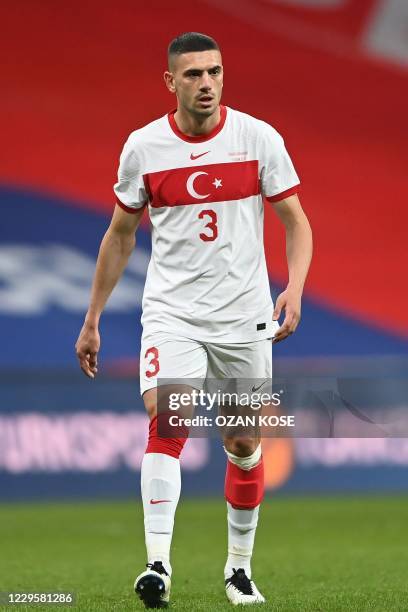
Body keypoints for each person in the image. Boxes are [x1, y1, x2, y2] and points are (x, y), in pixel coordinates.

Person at [75, 31, 312, 608]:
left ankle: (238, 570)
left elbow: (296, 222)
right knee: (169, 417)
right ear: (171, 82)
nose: (206, 83)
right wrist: (93, 317)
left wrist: (295, 288)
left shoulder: (257, 138)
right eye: (193, 75)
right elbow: (121, 234)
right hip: (173, 312)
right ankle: (158, 564)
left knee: (243, 441)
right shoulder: (145, 147)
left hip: (244, 317)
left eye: (214, 72)